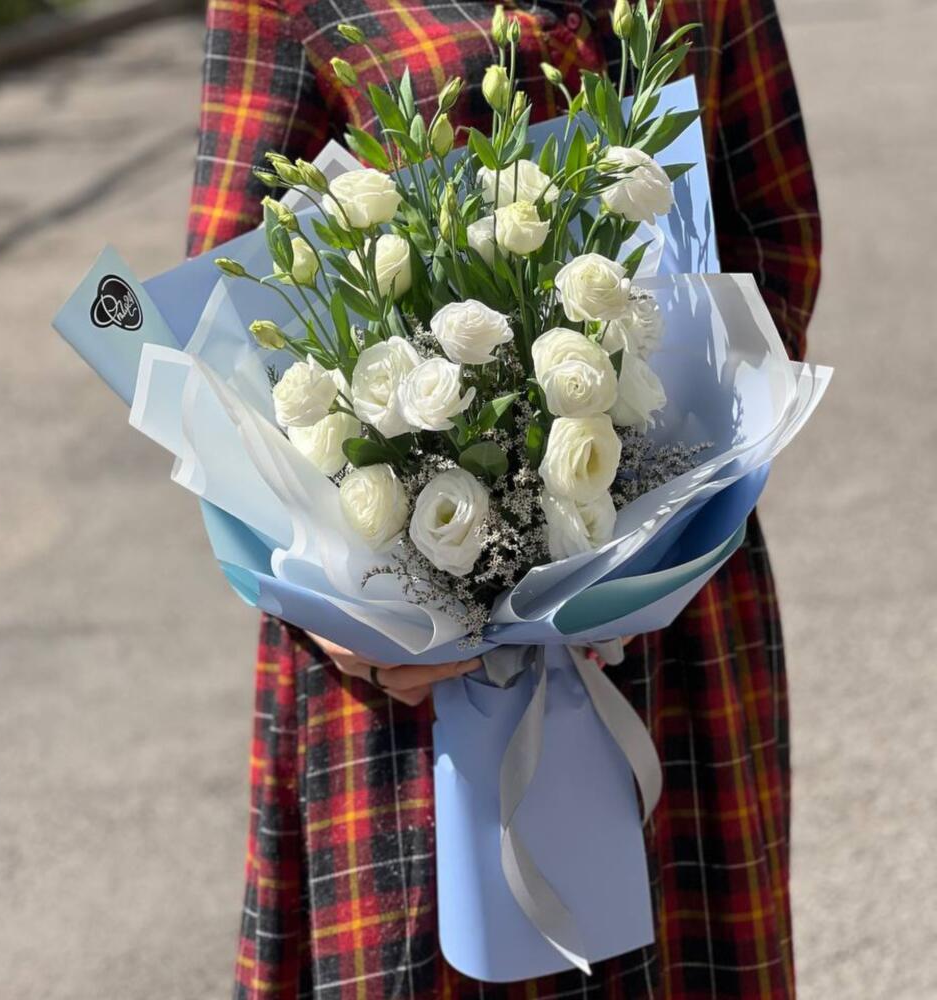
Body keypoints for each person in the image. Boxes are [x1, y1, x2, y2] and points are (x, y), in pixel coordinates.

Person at [187, 1, 821, 996]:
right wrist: (341, 613)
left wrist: (673, 459)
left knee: (684, 948)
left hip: (668, 593)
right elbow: (220, 326)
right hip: (406, 656)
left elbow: (769, 232)